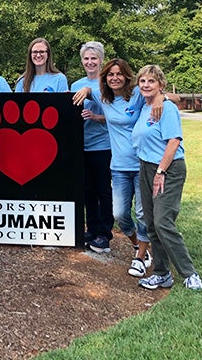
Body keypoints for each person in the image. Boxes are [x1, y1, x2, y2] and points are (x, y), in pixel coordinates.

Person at [73, 58, 154, 277]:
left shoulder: (137, 94)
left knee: (141, 213)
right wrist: (90, 100)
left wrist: (161, 101)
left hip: (141, 163)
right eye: (110, 75)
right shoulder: (103, 97)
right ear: (105, 78)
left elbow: (161, 95)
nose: (115, 78)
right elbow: (107, 114)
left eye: (119, 74)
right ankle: (139, 243)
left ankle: (141, 256)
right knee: (120, 214)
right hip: (118, 166)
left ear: (127, 76)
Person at [132, 65, 202, 290]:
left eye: (151, 81)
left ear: (160, 85)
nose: (145, 85)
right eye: (142, 81)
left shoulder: (166, 108)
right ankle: (162, 274)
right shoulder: (145, 105)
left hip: (167, 168)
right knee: (151, 223)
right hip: (146, 166)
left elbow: (174, 141)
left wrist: (161, 172)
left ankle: (190, 274)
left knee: (163, 221)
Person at [69, 42, 113, 255]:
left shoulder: (109, 84)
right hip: (80, 146)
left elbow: (116, 116)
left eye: (93, 58)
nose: (90, 62)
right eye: (86, 58)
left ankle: (105, 234)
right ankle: (91, 229)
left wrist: (96, 114)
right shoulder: (76, 84)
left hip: (103, 146)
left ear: (101, 60)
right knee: (86, 191)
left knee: (102, 191)